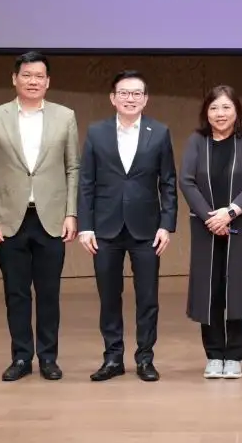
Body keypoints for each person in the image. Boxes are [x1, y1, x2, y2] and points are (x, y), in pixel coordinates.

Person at [0, 51, 79, 382]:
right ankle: (21, 357)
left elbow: (73, 168)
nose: (32, 81)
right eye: (26, 75)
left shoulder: (65, 117)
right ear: (14, 79)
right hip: (9, 220)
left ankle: (48, 357)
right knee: (16, 292)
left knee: (49, 293)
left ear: (48, 81)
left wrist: (71, 213)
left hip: (51, 218)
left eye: (39, 76)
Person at [78, 70, 177, 383]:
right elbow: (86, 182)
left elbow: (168, 183)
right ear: (113, 98)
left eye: (136, 93)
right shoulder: (96, 133)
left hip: (147, 229)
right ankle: (112, 358)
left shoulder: (159, 132)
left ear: (145, 99)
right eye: (124, 93)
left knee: (147, 298)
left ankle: (145, 358)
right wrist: (85, 226)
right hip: (104, 229)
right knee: (109, 296)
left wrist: (166, 225)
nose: (130, 99)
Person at [179, 85, 242, 379]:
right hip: (205, 228)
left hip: (239, 225)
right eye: (214, 107)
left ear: (236, 111)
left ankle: (235, 356)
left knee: (237, 290)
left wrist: (229, 213)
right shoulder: (197, 141)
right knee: (210, 291)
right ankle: (214, 355)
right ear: (206, 112)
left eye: (226, 107)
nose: (220, 113)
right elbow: (186, 181)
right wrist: (211, 217)